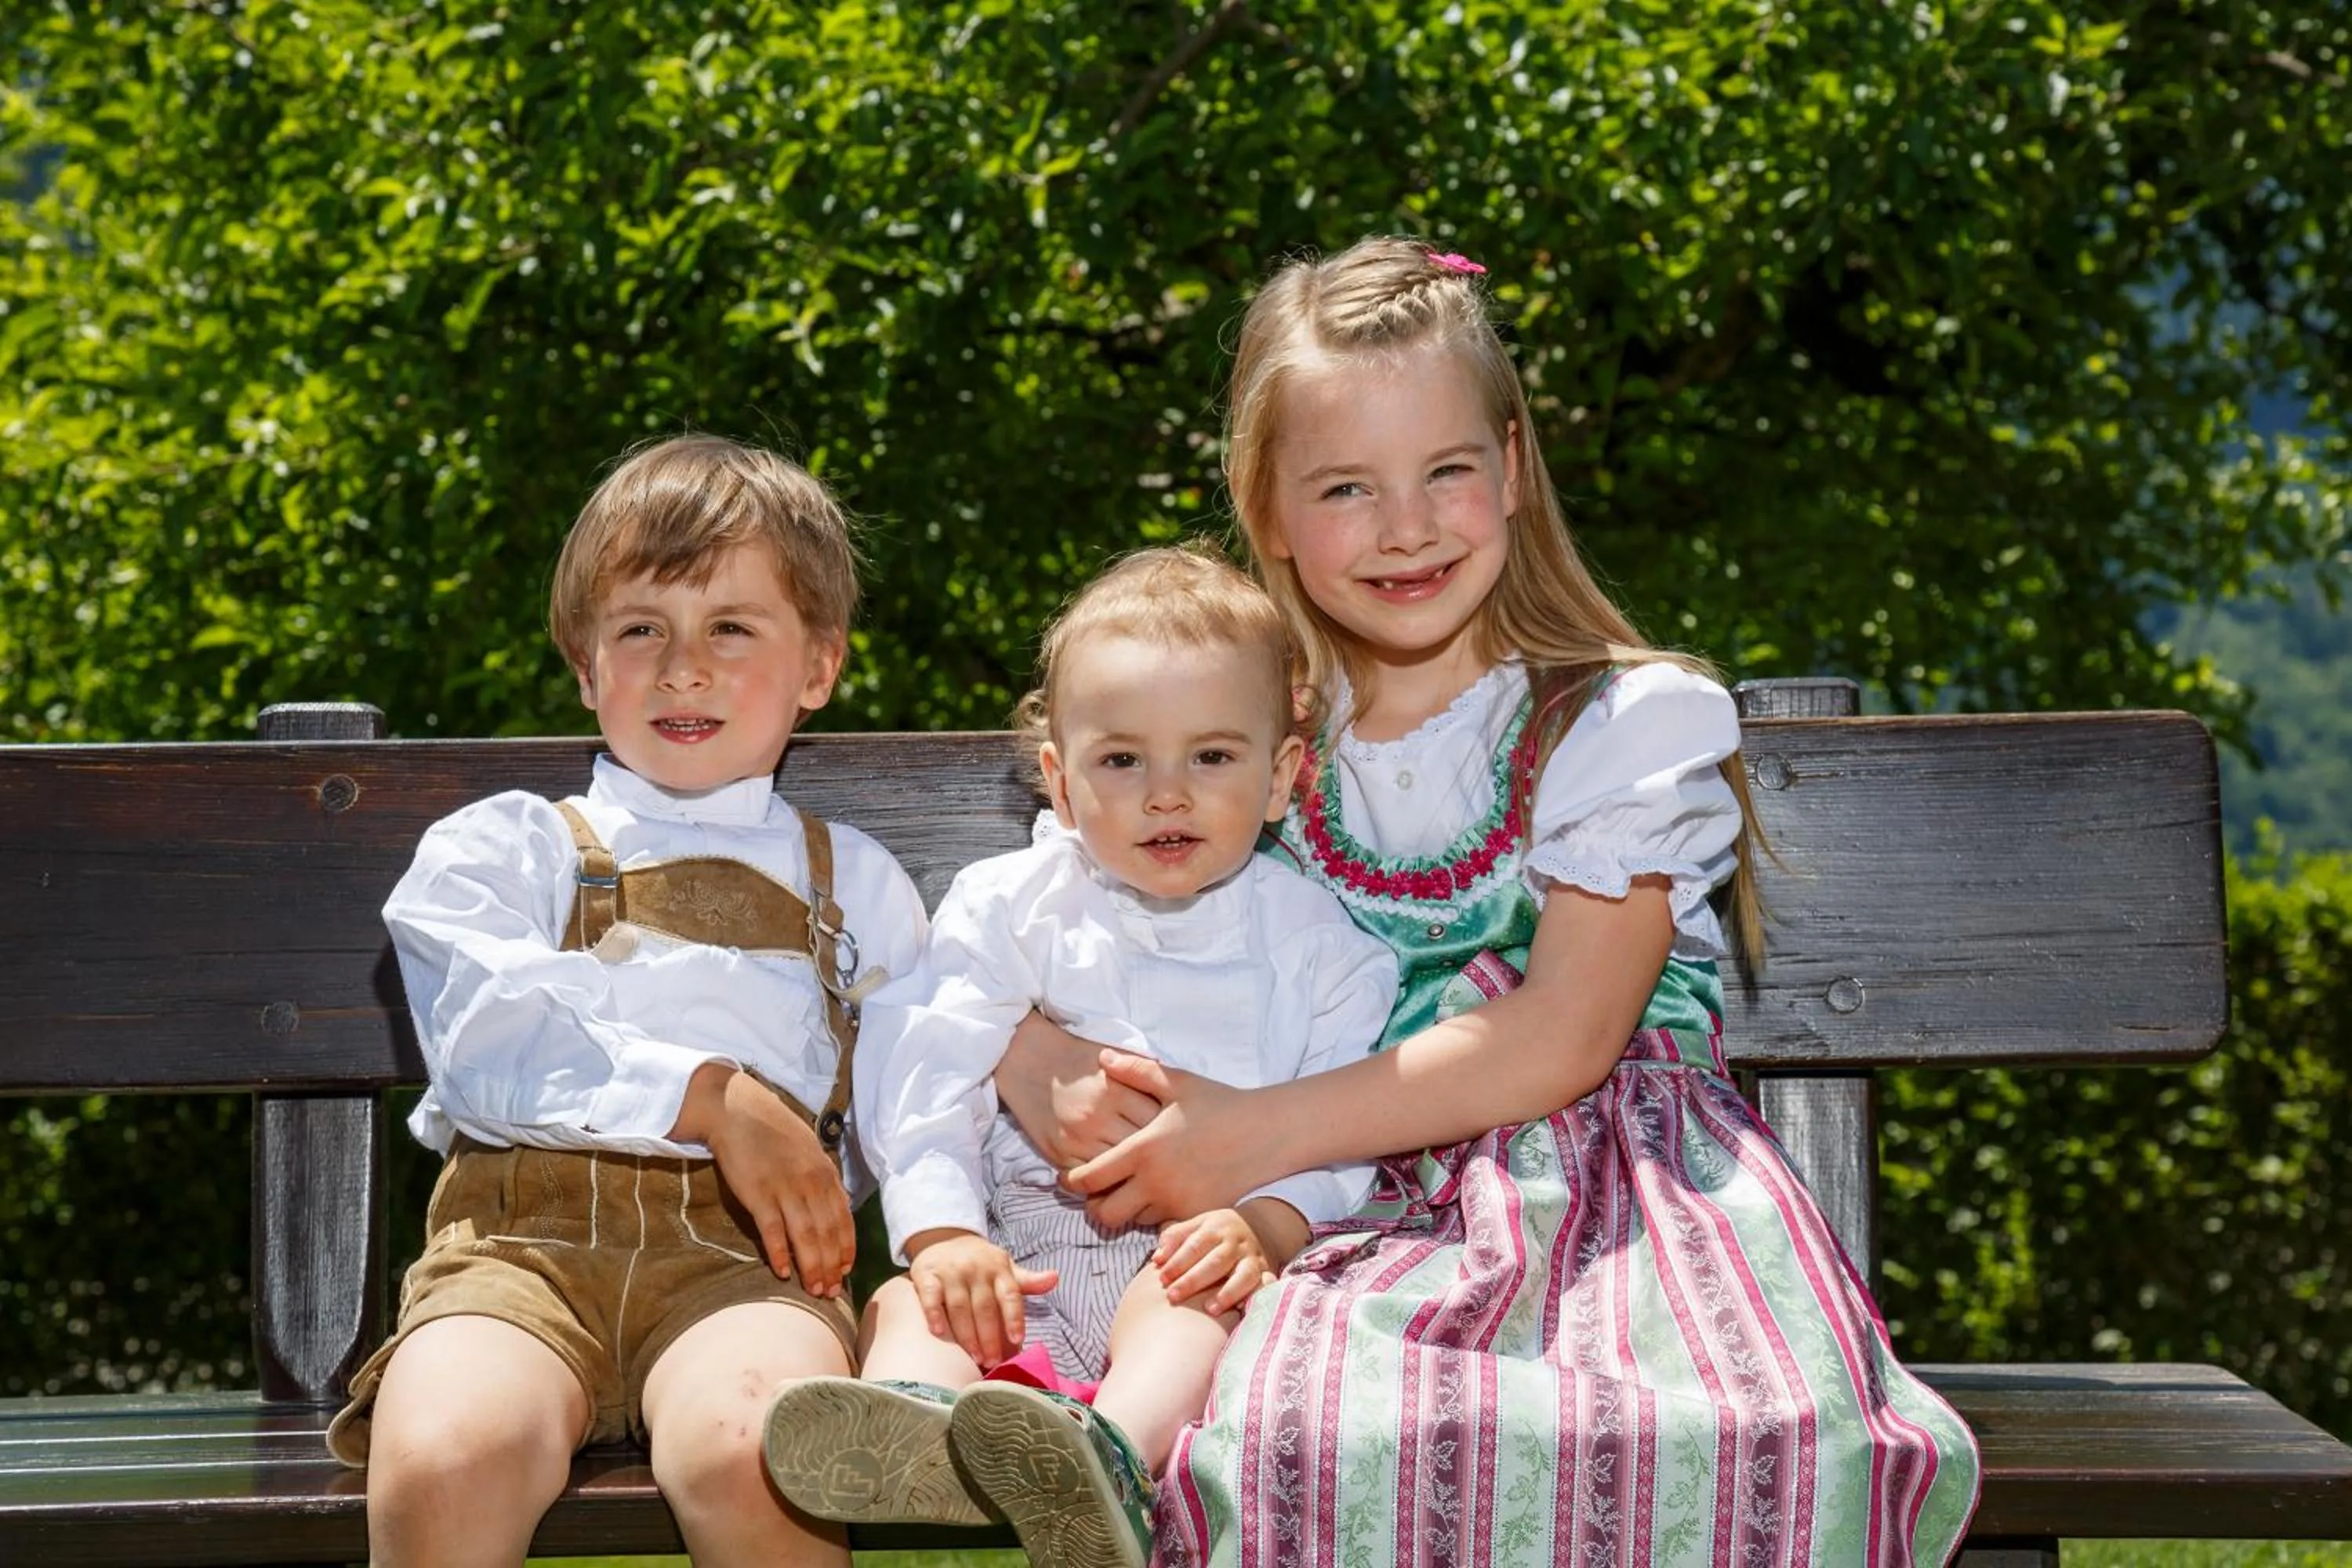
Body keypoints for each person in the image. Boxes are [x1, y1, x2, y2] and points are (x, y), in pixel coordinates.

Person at [993, 239, 1983, 1566]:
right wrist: (1037, 1059)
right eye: (1347, 488)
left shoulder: (1617, 726)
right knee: (1305, 1429)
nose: (1406, 527)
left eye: (1446, 471)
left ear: (1513, 468)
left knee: (1752, 1435)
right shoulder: (1242, 740)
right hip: (1329, 1206)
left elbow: (1560, 1037)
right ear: (1268, 508)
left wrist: (1246, 1135)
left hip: (1616, 1206)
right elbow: (1030, 941)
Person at [324, 435, 927, 1568]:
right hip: (519, 1254)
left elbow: (924, 1086)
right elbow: (485, 1040)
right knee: (448, 1451)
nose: (682, 667)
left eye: (731, 628)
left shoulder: (858, 886)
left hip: (750, 1265)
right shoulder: (504, 848)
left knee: (759, 1452)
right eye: (641, 627)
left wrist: (942, 1231)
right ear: (586, 665)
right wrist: (710, 1097)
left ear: (819, 667)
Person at [760, 546, 1400, 1568]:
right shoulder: (1015, 907)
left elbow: (1344, 1138)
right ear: (1058, 777)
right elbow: (931, 1067)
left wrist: (1265, 1228)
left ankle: (1105, 1461)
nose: (1165, 795)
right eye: (1122, 760)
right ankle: (912, 1432)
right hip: (1024, 1268)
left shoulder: (1327, 953)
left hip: (1188, 1264)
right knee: (909, 1304)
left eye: (1213, 757)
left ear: (1285, 774)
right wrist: (942, 1238)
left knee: (1195, 1313)